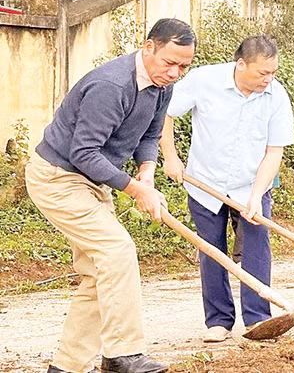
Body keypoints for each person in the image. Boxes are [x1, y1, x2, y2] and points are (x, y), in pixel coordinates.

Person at [25, 19, 196, 373]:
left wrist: (146, 173)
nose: (176, 72)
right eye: (170, 63)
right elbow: (84, 152)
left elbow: (149, 135)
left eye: (184, 66)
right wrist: (134, 190)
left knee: (98, 274)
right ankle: (122, 355)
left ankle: (66, 367)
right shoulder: (111, 85)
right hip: (58, 177)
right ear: (148, 47)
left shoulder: (162, 85)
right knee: (117, 250)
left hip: (93, 182)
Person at [160, 35, 294, 343]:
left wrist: (257, 196)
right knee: (211, 251)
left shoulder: (276, 96)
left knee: (257, 247)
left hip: (251, 184)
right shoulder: (203, 80)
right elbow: (164, 112)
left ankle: (258, 318)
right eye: (263, 73)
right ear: (241, 64)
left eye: (273, 72)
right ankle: (219, 320)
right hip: (205, 182)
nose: (268, 79)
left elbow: (274, 151)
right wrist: (170, 156)